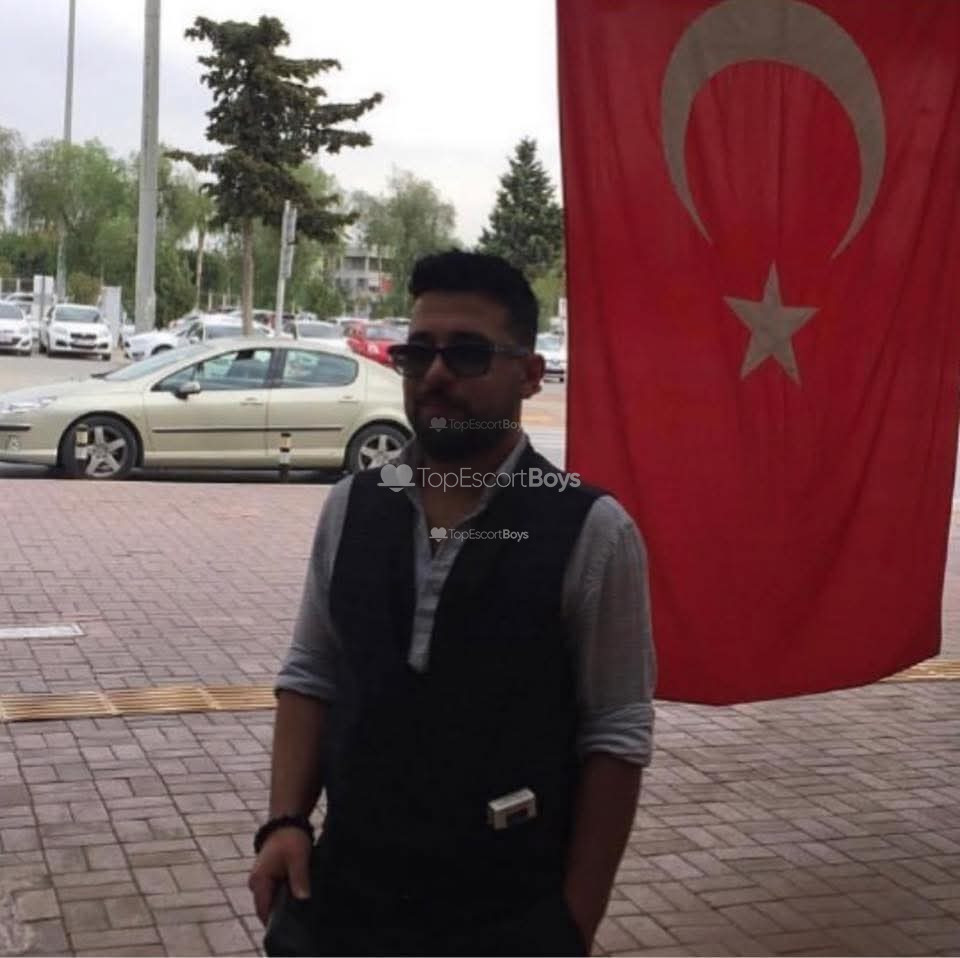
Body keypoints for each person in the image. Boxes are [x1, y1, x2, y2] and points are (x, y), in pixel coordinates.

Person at [248, 250, 656, 956]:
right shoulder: (352, 506)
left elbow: (616, 732)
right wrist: (285, 822)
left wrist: (573, 924)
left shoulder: (592, 531)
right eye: (418, 353)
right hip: (340, 905)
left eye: (467, 354)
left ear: (530, 375)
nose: (435, 374)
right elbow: (312, 673)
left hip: (506, 916)